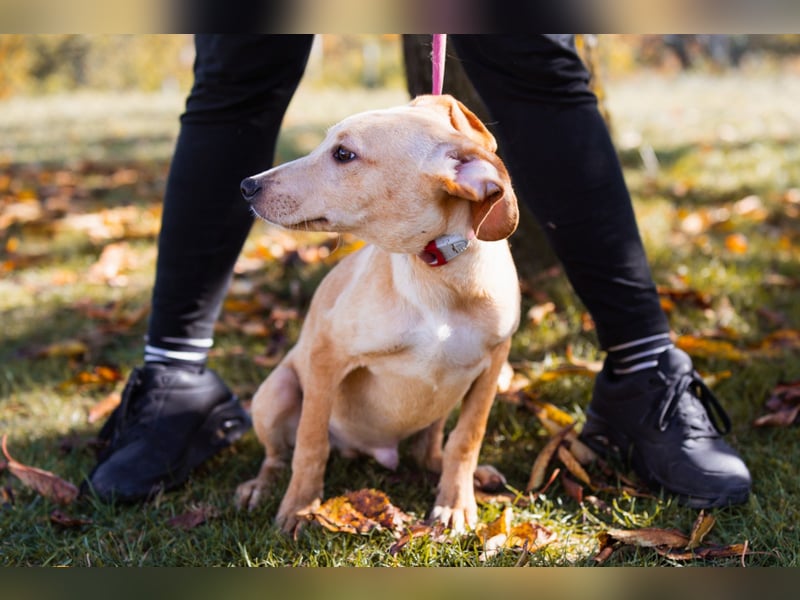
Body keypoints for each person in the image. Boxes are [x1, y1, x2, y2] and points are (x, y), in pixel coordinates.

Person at [85, 34, 751, 510]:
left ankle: (643, 372)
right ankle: (174, 375)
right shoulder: (371, 275)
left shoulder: (480, 225)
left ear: (467, 181)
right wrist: (301, 474)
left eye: (341, 156)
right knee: (239, 56)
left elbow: (494, 349)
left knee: (533, 54)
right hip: (330, 413)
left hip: (436, 365)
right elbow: (318, 355)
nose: (278, 181)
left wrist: (457, 464)